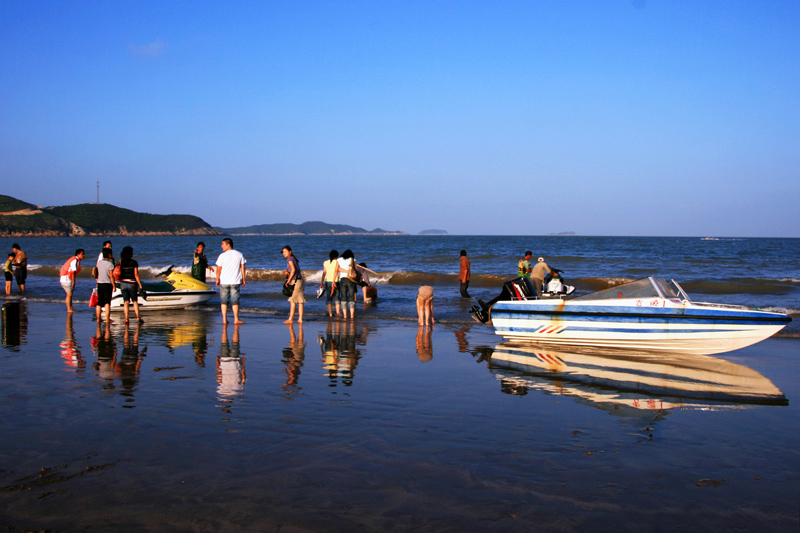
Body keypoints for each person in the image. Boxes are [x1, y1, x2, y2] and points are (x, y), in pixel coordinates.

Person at [215, 238, 246, 324]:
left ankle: (224, 319)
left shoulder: (222, 255)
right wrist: (243, 278)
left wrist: (217, 279)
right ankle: (236, 319)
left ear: (228, 245)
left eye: (223, 244)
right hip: (235, 281)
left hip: (224, 281)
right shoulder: (239, 254)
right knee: (235, 301)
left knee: (224, 301)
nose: (221, 246)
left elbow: (218, 269)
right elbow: (242, 267)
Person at [118, 246, 144, 324]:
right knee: (135, 301)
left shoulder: (120, 261)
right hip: (132, 283)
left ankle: (126, 319)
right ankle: (138, 318)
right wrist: (140, 284)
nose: (132, 254)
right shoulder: (134, 262)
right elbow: (136, 274)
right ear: (129, 253)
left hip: (123, 283)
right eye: (132, 252)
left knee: (126, 301)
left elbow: (117, 272)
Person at [282, 245, 305, 323]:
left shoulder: (290, 259)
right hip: (300, 280)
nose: (284, 253)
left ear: (290, 251)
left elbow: (294, 270)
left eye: (285, 252)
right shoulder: (293, 258)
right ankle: (300, 319)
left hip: (296, 281)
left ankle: (290, 319)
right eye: (283, 252)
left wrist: (288, 280)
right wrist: (288, 273)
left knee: (292, 300)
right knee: (300, 300)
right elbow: (295, 271)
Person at [332, 249, 357, 320]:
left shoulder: (339, 260)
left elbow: (337, 270)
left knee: (343, 297)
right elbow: (356, 270)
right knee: (351, 297)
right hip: (351, 280)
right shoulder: (352, 259)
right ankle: (352, 315)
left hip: (342, 280)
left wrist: (333, 281)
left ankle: (345, 316)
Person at [59, 248, 85, 312]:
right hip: (66, 278)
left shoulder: (74, 259)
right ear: (78, 254)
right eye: (82, 254)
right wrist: (73, 281)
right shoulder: (75, 261)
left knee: (69, 294)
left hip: (64, 278)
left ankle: (70, 308)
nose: (84, 255)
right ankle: (69, 309)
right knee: (69, 294)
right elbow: (73, 271)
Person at [95, 248, 116, 323]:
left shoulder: (100, 263)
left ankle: (98, 318)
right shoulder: (110, 264)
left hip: (100, 283)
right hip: (108, 284)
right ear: (109, 254)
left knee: (99, 302)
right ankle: (107, 319)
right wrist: (114, 285)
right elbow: (111, 276)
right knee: (107, 302)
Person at [320, 250, 340, 318]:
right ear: (336, 256)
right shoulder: (337, 262)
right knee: (337, 297)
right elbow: (336, 272)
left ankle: (330, 314)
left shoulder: (325, 262)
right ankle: (337, 313)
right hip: (335, 281)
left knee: (329, 298)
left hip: (327, 281)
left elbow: (324, 273)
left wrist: (322, 282)